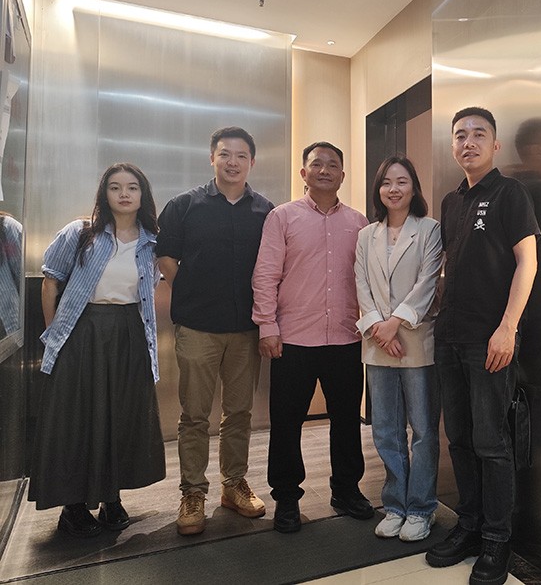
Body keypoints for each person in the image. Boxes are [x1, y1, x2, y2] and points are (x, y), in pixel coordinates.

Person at [425, 107, 540, 585]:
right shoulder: (451, 202)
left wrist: (508, 327)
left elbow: (528, 262)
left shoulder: (510, 193)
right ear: (453, 146)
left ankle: (497, 539)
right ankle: (469, 526)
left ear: (495, 145)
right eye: (460, 135)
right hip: (449, 336)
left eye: (478, 134)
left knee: (492, 443)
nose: (468, 142)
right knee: (460, 440)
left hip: (490, 339)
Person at [29, 163, 165, 537]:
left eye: (132, 187)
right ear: (104, 194)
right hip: (82, 329)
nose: (124, 194)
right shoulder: (80, 233)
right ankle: (73, 506)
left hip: (131, 331)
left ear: (143, 194)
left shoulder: (153, 242)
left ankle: (111, 497)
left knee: (121, 414)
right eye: (115, 187)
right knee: (77, 416)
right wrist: (54, 332)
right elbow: (50, 282)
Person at [156, 126, 274, 536]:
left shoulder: (266, 211)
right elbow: (165, 256)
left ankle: (233, 484)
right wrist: (191, 291)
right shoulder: (184, 205)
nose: (232, 162)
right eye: (225, 154)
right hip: (197, 327)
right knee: (194, 415)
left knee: (239, 412)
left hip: (245, 329)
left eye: (241, 156)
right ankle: (192, 492)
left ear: (251, 162)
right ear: (212, 158)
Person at [252, 141, 371, 534]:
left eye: (332, 165)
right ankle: (286, 497)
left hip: (345, 338)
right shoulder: (282, 217)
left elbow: (367, 279)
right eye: (317, 164)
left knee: (347, 420)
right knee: (287, 423)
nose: (324, 170)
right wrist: (267, 326)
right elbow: (265, 275)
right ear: (303, 173)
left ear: (342, 175)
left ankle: (346, 490)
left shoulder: (358, 222)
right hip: (293, 339)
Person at [354, 156, 442, 542]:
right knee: (386, 430)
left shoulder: (429, 229)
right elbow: (360, 282)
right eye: (386, 182)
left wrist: (395, 324)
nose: (394, 188)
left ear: (413, 188)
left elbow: (428, 281)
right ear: (378, 189)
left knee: (422, 430)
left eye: (402, 181)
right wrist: (378, 327)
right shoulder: (365, 234)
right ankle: (394, 504)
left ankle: (421, 508)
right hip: (378, 344)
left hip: (415, 340)